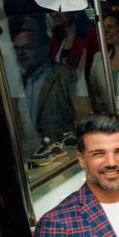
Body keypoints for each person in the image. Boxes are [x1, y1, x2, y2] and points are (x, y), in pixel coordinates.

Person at [11, 20, 77, 163]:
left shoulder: (64, 75)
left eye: (27, 47)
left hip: (62, 156)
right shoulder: (18, 80)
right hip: (33, 157)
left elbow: (78, 115)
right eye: (17, 48)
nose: (21, 53)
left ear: (44, 48)